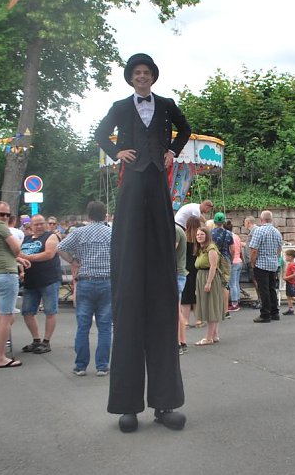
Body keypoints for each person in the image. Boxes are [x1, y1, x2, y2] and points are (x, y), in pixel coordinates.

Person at [95, 52, 191, 433]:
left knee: (162, 305)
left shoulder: (166, 105)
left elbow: (183, 130)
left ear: (152, 76)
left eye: (146, 72)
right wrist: (117, 151)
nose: (142, 77)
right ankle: (127, 405)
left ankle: (165, 404)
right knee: (130, 308)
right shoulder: (120, 106)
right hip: (133, 182)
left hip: (157, 182)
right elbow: (101, 134)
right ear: (130, 78)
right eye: (136, 73)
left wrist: (171, 151)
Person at [58, 201, 113, 377]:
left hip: (86, 281)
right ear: (105, 215)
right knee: (105, 326)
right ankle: (102, 366)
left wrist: (74, 261)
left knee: (83, 326)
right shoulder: (111, 233)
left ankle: (80, 366)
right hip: (107, 281)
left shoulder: (79, 232)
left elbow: (60, 248)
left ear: (88, 215)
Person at [0, 201, 29, 369]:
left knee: (4, 318)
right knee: (5, 319)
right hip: (6, 276)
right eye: (2, 214)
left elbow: (2, 252)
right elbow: (15, 248)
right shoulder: (0, 227)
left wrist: (17, 259)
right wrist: (17, 256)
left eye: (8, 215)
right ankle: (0, 357)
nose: (5, 218)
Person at [19, 215, 62, 355]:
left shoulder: (51, 236)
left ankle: (46, 341)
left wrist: (26, 258)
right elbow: (17, 255)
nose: (39, 226)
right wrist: (21, 269)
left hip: (48, 279)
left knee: (50, 310)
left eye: (41, 223)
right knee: (27, 311)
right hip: (30, 280)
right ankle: (36, 340)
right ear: (30, 226)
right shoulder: (25, 239)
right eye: (36, 224)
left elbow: (49, 254)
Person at [193, 227, 225, 345]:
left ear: (207, 236)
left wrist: (208, 282)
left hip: (208, 277)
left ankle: (208, 337)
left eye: (201, 234)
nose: (199, 236)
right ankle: (214, 335)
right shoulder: (202, 248)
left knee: (211, 306)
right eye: (197, 234)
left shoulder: (211, 248)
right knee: (210, 305)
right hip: (202, 276)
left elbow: (213, 266)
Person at [250, 210, 283, 323]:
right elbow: (279, 249)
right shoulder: (277, 232)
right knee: (272, 288)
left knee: (263, 289)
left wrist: (253, 262)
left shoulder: (259, 231)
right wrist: (275, 258)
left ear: (261, 219)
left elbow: (254, 250)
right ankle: (275, 312)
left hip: (261, 263)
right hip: (273, 264)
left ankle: (265, 314)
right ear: (271, 219)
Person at [210, 212, 234, 316]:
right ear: (223, 222)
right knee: (225, 284)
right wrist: (230, 259)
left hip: (213, 258)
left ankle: (214, 309)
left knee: (213, 283)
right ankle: (225, 310)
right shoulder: (228, 233)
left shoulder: (210, 233)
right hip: (225, 258)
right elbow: (232, 249)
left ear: (214, 221)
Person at [180, 216, 201, 330]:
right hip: (198, 268)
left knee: (186, 295)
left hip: (185, 268)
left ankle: (186, 321)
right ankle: (198, 320)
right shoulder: (200, 238)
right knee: (197, 293)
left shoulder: (183, 237)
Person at [174, 222, 189, 354]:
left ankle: (178, 343)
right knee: (177, 309)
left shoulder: (174, 230)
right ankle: (182, 341)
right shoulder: (178, 229)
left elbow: (169, 251)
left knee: (175, 310)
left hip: (176, 273)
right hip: (179, 272)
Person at [226, 220, 243, 312]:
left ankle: (234, 303)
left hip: (233, 261)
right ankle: (237, 300)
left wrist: (231, 260)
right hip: (239, 261)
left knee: (232, 284)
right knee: (236, 283)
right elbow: (240, 249)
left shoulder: (227, 237)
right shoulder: (236, 236)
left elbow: (230, 250)